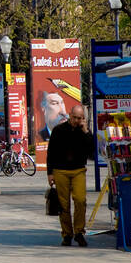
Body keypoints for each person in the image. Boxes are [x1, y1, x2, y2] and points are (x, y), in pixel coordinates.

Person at [47, 104, 95, 247]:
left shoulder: (84, 132)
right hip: (60, 170)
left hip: (79, 170)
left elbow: (92, 150)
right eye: (74, 117)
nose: (76, 120)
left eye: (80, 118)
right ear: (69, 115)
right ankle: (67, 234)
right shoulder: (59, 130)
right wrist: (50, 173)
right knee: (64, 204)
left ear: (83, 118)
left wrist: (86, 131)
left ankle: (79, 232)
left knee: (80, 200)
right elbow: (51, 153)